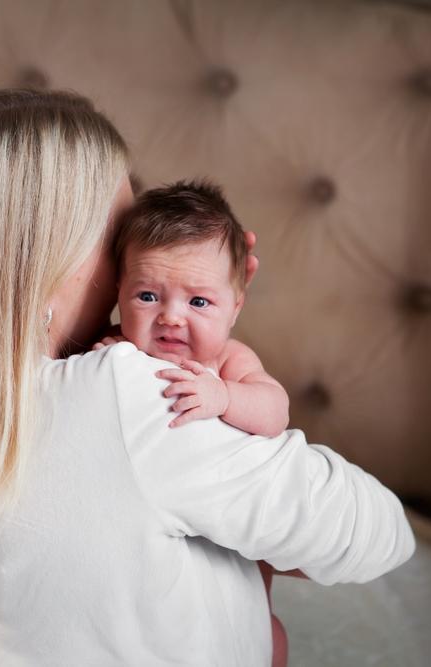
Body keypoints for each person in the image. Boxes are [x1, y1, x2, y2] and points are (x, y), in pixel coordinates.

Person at [0, 89, 415, 667]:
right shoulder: (129, 394)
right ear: (46, 265)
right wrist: (211, 292)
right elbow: (379, 535)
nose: (132, 275)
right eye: (119, 243)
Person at [94, 179, 292, 666]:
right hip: (157, 554)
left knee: (266, 638)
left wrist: (224, 395)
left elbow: (275, 412)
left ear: (236, 305)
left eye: (198, 302)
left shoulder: (228, 360)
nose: (171, 318)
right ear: (117, 291)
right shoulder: (119, 348)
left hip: (234, 547)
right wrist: (102, 356)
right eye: (147, 296)